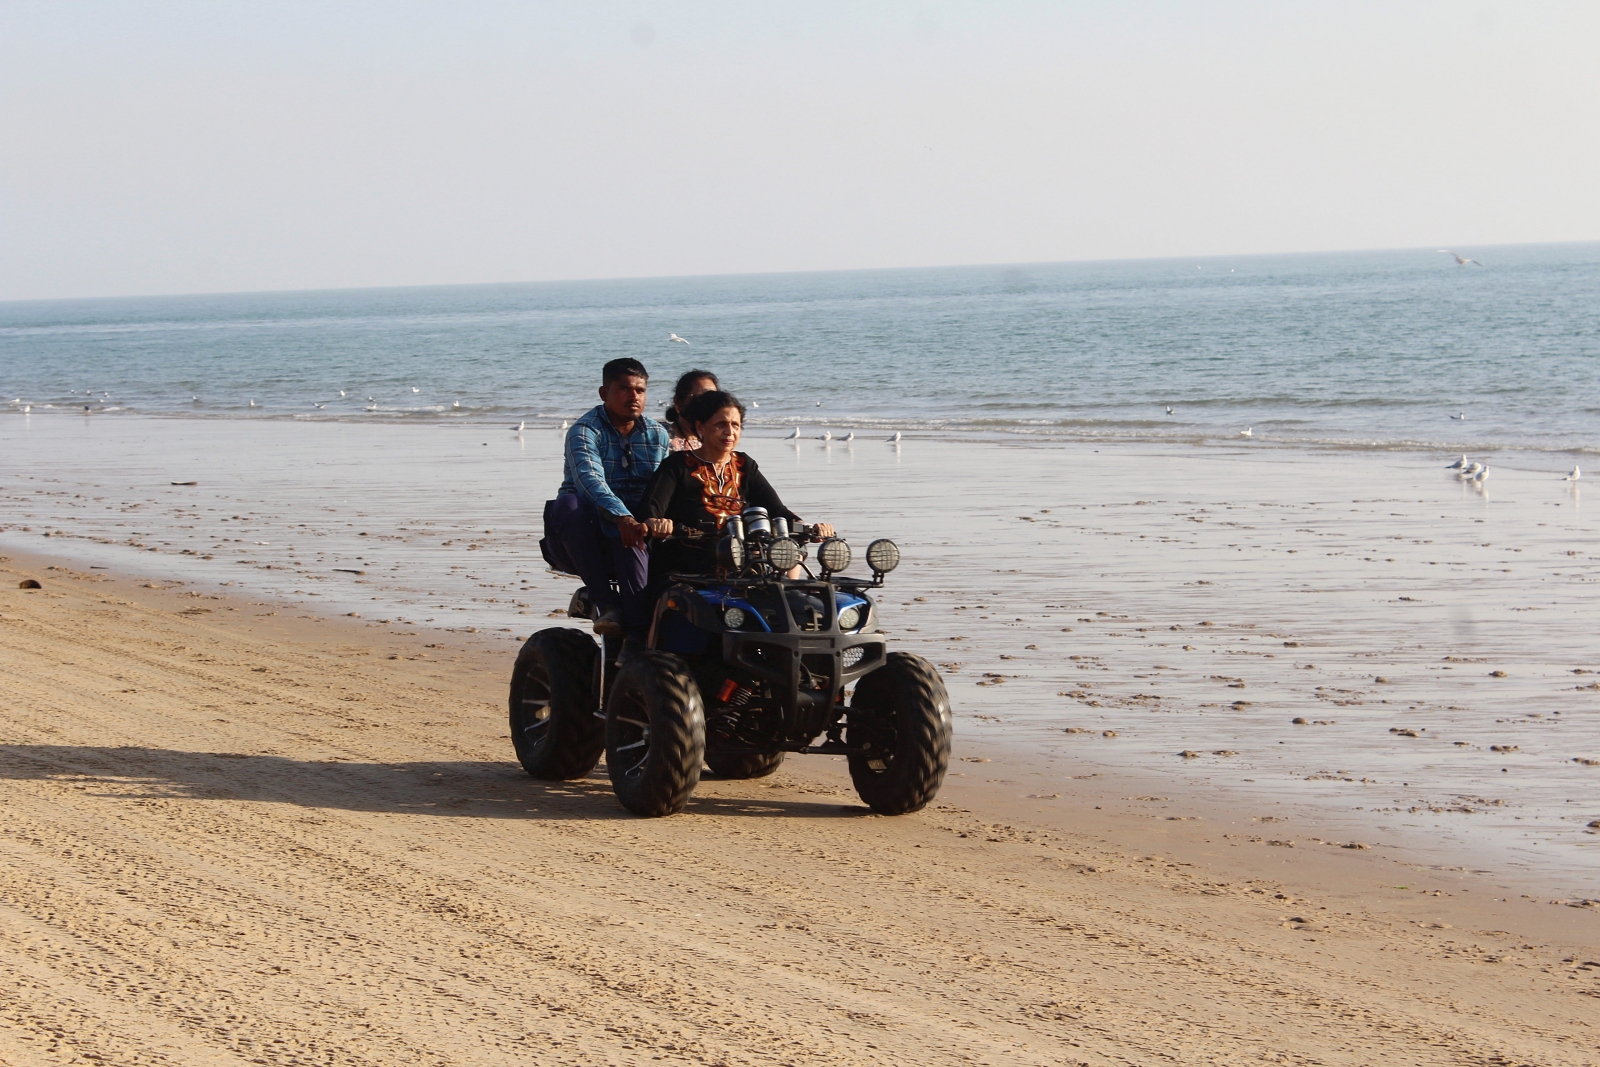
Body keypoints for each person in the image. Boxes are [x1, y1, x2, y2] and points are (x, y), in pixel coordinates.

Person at [540, 358, 669, 638]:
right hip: (587, 523)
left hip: (636, 521)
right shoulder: (584, 431)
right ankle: (606, 603)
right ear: (604, 393)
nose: (633, 396)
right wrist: (622, 516)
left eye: (640, 390)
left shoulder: (658, 434)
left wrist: (657, 519)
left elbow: (665, 485)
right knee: (568, 506)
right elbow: (590, 481)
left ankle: (640, 634)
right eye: (624, 389)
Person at [643, 389, 834, 579]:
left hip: (743, 563)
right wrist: (657, 523)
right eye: (721, 424)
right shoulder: (677, 465)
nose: (730, 432)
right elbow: (650, 509)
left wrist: (808, 527)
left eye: (736, 425)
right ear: (700, 427)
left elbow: (776, 509)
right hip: (687, 565)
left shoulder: (744, 465)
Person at [662, 369, 719, 451]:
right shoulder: (662, 435)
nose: (708, 404)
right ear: (678, 402)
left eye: (714, 399)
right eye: (701, 398)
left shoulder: (713, 440)